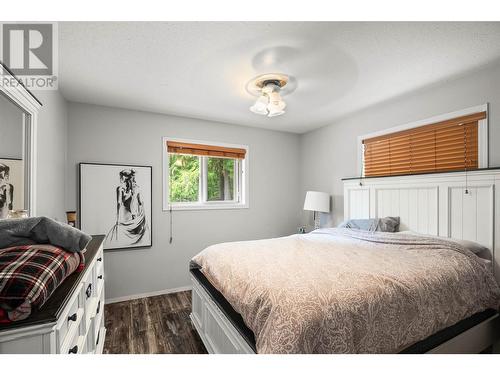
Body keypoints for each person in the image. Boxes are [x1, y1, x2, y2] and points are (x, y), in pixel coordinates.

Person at [106, 169, 149, 246]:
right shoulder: (135, 188)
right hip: (133, 215)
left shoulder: (121, 189)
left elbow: (119, 203)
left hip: (126, 216)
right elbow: (140, 203)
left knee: (122, 238)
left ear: (124, 177)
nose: (120, 178)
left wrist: (118, 217)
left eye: (121, 176)